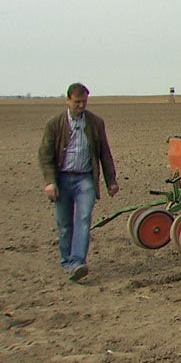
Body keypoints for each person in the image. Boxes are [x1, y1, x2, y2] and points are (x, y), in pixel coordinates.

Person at [38, 82, 120, 281]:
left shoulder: (95, 123)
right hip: (63, 179)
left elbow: (104, 154)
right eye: (77, 102)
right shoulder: (54, 124)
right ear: (68, 100)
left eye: (84, 102)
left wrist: (111, 181)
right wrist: (50, 181)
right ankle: (67, 261)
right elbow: (45, 155)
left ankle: (78, 262)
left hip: (85, 179)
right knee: (65, 224)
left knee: (83, 220)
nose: (81, 106)